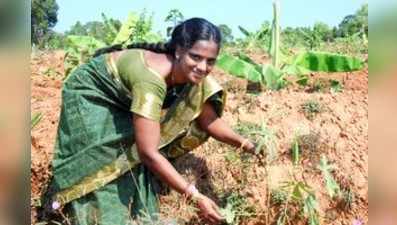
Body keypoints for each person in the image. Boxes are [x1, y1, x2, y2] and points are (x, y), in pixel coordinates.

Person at [44, 17, 256, 225]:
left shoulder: (195, 76)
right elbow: (148, 152)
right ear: (179, 50)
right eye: (196, 57)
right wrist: (195, 196)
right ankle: (60, 204)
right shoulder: (151, 79)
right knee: (100, 160)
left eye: (210, 61)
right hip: (91, 94)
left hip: (126, 96)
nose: (202, 66)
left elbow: (209, 120)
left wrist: (248, 145)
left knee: (133, 160)